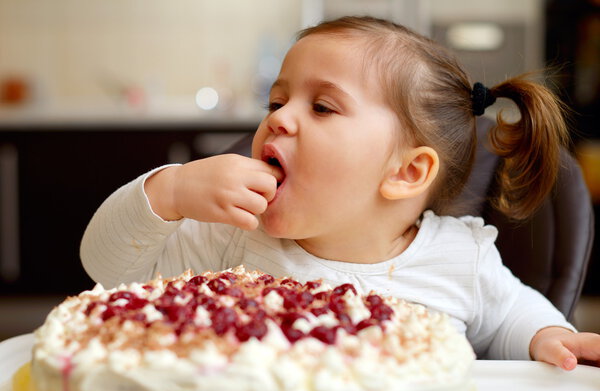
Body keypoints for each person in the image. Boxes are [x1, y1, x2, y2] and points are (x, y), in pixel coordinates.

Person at [80, 16, 600, 370]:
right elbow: (105, 269)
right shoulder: (231, 236)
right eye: (276, 102)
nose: (280, 118)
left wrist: (546, 338)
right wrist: (168, 191)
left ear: (407, 172)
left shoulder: (459, 259)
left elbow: (511, 315)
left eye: (322, 107)